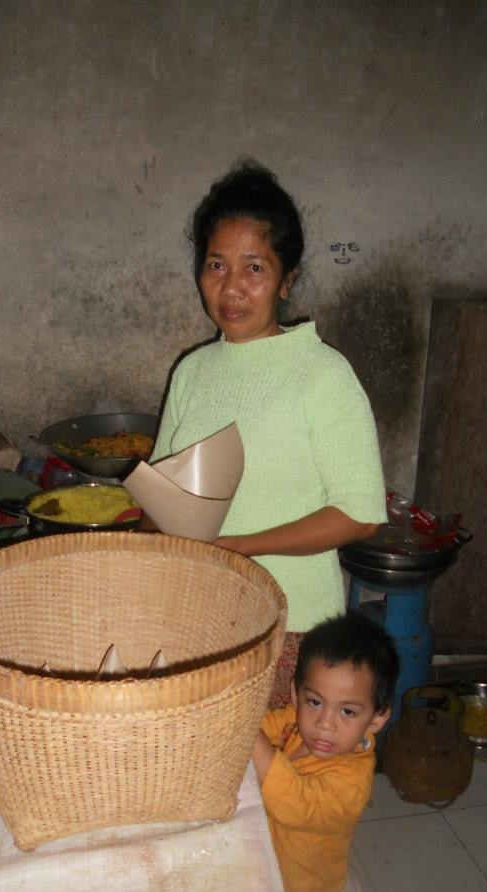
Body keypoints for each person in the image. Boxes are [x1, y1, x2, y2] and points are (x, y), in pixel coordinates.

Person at [145, 159, 387, 705]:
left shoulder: (323, 374)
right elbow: (162, 496)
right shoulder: (193, 371)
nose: (231, 288)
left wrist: (238, 549)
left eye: (254, 268)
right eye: (215, 265)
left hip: (288, 626)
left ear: (287, 279)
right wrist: (137, 563)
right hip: (199, 615)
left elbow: (360, 513)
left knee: (275, 784)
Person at [252, 613, 399, 892]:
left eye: (347, 712)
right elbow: (269, 725)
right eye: (314, 702)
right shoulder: (293, 721)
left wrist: (251, 740)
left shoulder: (350, 781)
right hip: (281, 879)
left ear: (376, 718)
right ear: (295, 694)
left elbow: (296, 804)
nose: (324, 724)